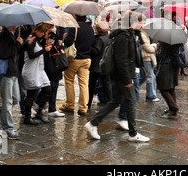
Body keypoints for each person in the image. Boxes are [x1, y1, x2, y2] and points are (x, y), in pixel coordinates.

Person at [84, 11, 150, 142]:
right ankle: (133, 133)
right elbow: (122, 60)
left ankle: (93, 123)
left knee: (115, 101)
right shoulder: (124, 37)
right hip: (122, 76)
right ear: (134, 23)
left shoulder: (128, 34)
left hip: (121, 75)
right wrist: (127, 80)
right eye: (141, 22)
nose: (143, 25)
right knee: (131, 101)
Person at [0, 25, 24, 140]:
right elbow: (4, 53)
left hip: (13, 71)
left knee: (15, 99)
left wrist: (23, 43)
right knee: (8, 101)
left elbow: (15, 52)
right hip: (6, 72)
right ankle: (8, 129)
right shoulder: (3, 35)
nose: (17, 25)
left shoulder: (11, 35)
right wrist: (17, 44)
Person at [61, 15, 95, 116]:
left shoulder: (74, 27)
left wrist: (65, 37)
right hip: (86, 59)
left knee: (69, 81)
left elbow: (68, 41)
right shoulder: (90, 28)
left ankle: (70, 105)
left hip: (74, 59)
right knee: (83, 83)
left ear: (76, 17)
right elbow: (92, 42)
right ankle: (83, 108)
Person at [21, 23, 52, 125]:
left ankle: (39, 113)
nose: (43, 34)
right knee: (30, 94)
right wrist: (44, 50)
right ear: (37, 31)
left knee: (47, 89)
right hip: (31, 71)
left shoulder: (37, 40)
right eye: (42, 32)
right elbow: (31, 55)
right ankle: (27, 117)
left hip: (39, 70)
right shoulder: (32, 39)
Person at [88, 21, 112, 109]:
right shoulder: (108, 38)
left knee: (91, 85)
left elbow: (95, 51)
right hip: (105, 66)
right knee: (107, 85)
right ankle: (110, 102)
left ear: (98, 29)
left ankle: (88, 103)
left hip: (96, 66)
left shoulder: (99, 39)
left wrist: (89, 47)